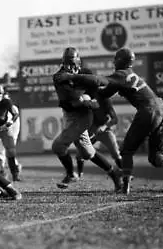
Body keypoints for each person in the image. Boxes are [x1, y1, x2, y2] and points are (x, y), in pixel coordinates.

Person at [96, 48, 163, 194]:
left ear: (119, 60)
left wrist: (86, 86)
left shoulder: (120, 74)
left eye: (115, 59)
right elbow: (108, 92)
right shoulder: (131, 74)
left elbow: (103, 90)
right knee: (155, 156)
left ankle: (125, 187)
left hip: (148, 111)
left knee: (127, 150)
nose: (113, 62)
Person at [52, 47, 122, 191]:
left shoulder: (83, 73)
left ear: (78, 63)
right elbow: (72, 100)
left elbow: (100, 82)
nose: (69, 67)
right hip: (70, 115)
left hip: (83, 117)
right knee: (87, 153)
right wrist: (86, 101)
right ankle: (114, 172)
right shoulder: (59, 76)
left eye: (72, 64)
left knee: (58, 146)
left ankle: (71, 174)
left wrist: (73, 78)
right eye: (66, 64)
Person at [75, 86, 122, 177]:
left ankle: (125, 173)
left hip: (105, 131)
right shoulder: (87, 99)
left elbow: (115, 119)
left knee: (116, 153)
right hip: (91, 130)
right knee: (80, 153)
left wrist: (104, 127)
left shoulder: (106, 100)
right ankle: (80, 175)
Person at [0, 92, 22, 179]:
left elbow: (16, 123)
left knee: (9, 153)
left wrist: (13, 135)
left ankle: (15, 171)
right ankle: (2, 171)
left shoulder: (13, 108)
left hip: (9, 133)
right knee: (0, 153)